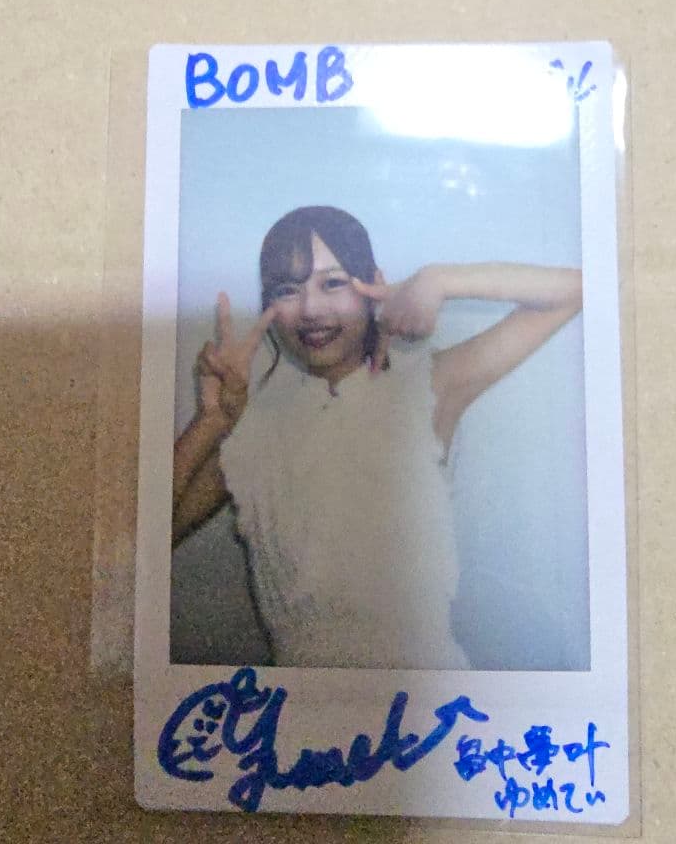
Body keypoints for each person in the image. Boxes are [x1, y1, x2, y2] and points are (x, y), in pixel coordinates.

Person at [172, 206, 582, 669]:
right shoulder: (253, 428)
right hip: (303, 706)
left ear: (374, 287)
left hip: (424, 699)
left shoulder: (426, 387)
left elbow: (576, 289)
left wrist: (440, 279)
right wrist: (211, 420)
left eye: (332, 283)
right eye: (287, 290)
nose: (311, 310)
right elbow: (143, 536)